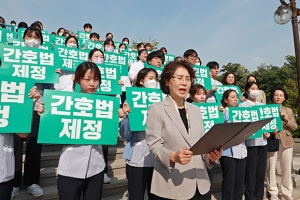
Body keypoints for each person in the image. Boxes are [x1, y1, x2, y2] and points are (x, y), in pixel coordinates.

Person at [145, 61, 222, 199]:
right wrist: (172, 156)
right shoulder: (156, 109)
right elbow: (154, 146)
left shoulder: (196, 110)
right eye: (179, 78)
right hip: (173, 185)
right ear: (167, 82)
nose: (184, 83)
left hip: (201, 185)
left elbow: (201, 144)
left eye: (188, 79)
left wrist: (210, 157)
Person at [38, 62, 106, 200]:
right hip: (71, 167)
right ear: (77, 79)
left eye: (96, 79)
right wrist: (44, 115)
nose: (92, 83)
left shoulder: (105, 105)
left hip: (96, 167)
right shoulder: (65, 102)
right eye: (87, 79)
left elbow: (109, 133)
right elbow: (53, 129)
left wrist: (121, 117)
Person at [12, 26, 49, 199]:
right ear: (23, 38)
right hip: (17, 108)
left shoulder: (46, 60)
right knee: (15, 147)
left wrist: (53, 75)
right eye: (29, 36)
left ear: (41, 41)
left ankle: (32, 181)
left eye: (36, 37)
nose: (33, 39)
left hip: (37, 109)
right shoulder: (14, 57)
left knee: (34, 147)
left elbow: (50, 89)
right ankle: (13, 182)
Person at [118, 68, 159, 200]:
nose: (154, 81)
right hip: (137, 158)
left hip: (158, 158)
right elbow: (125, 135)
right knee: (136, 195)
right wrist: (127, 117)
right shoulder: (130, 101)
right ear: (142, 81)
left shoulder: (163, 101)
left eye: (156, 79)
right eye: (150, 78)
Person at [0, 87, 41, 200]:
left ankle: (25, 183)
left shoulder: (9, 106)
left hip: (3, 175)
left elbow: (23, 133)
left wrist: (30, 104)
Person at [239, 81, 269, 200]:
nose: (255, 90)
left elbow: (268, 125)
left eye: (257, 88)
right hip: (249, 144)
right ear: (246, 91)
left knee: (260, 172)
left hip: (262, 142)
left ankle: (259, 196)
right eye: (252, 88)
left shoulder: (262, 106)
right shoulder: (242, 106)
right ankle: (250, 197)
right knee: (250, 172)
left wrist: (268, 132)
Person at [266, 88, 297, 200]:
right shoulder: (267, 109)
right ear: (272, 97)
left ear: (284, 97)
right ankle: (273, 192)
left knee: (286, 168)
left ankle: (286, 193)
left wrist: (286, 119)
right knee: (270, 167)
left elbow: (294, 127)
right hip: (272, 139)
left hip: (286, 140)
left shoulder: (288, 110)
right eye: (276, 95)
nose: (278, 97)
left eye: (281, 95)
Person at [220, 90, 247, 200]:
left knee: (239, 181)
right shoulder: (222, 113)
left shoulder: (242, 112)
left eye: (236, 97)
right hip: (228, 152)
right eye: (232, 97)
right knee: (229, 181)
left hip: (242, 151)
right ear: (225, 100)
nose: (236, 99)